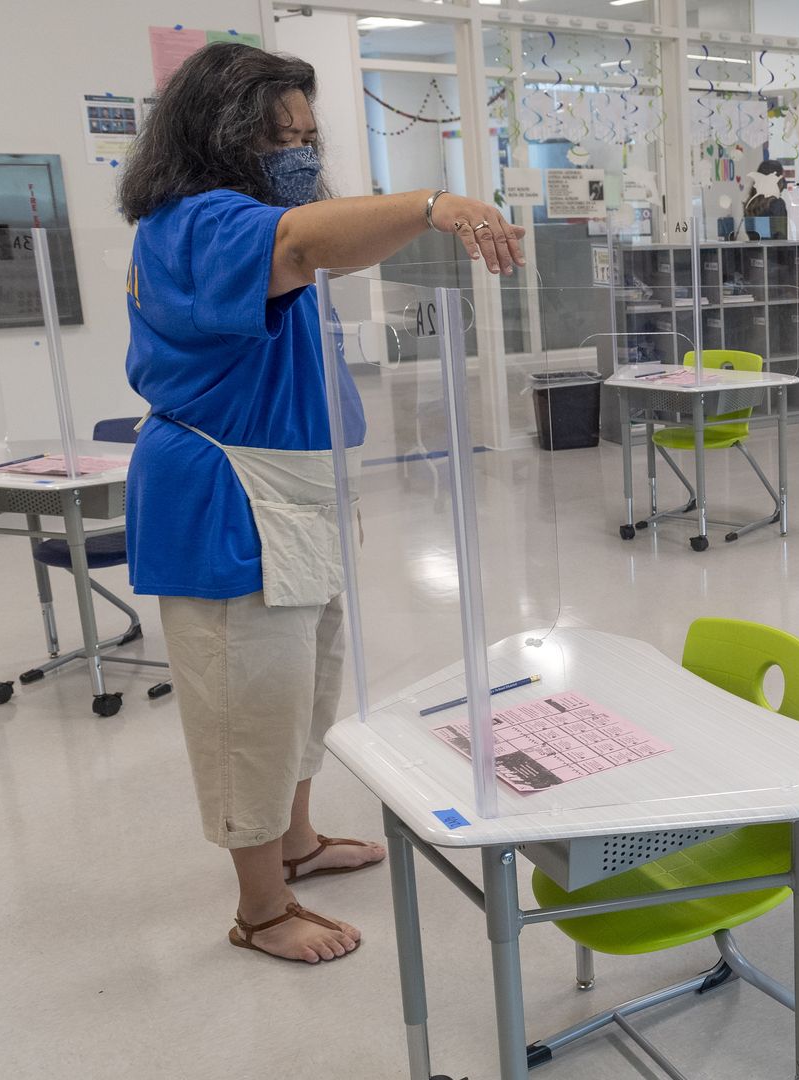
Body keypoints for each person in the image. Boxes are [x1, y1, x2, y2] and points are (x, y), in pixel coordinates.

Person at [117, 42, 524, 965]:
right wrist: (434, 205)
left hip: (289, 491)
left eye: (309, 134)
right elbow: (306, 239)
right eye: (280, 137)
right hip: (229, 495)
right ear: (221, 138)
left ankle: (295, 845)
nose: (300, 151)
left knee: (303, 685)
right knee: (247, 701)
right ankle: (259, 910)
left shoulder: (247, 216)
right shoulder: (202, 223)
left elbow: (303, 248)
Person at [742, 160, 789, 240]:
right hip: (772, 251)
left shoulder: (750, 204)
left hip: (755, 251)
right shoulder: (777, 204)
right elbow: (780, 236)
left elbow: (754, 235)